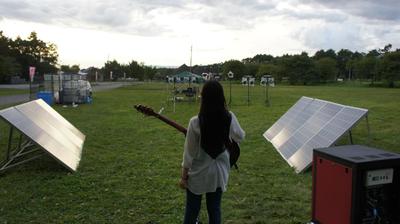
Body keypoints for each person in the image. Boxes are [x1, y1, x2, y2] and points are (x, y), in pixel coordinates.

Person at [179, 80, 245, 224]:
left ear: (203, 97)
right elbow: (240, 136)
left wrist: (184, 177)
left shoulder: (195, 122)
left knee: (192, 209)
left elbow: (189, 154)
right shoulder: (230, 117)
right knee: (214, 209)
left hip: (198, 173)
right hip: (219, 171)